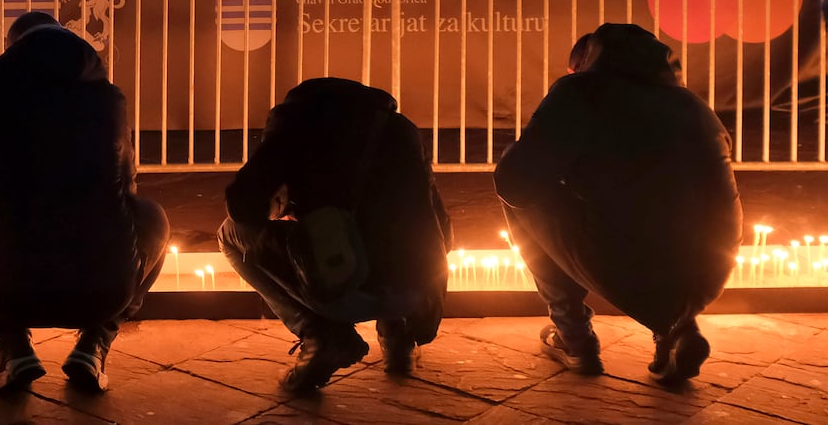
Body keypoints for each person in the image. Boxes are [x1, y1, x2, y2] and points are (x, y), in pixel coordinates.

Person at [0, 11, 169, 395]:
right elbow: (127, 187)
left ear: (13, 49)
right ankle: (94, 346)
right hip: (104, 290)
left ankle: (13, 349)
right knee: (153, 218)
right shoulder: (108, 97)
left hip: (5, 287)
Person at [495, 23, 741, 384]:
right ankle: (676, 328)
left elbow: (516, 183)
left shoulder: (581, 91)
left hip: (639, 266)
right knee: (654, 217)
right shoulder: (691, 103)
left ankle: (573, 338)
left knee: (524, 195)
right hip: (712, 268)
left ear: (587, 63)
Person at [218, 77, 452, 394]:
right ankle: (400, 336)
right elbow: (443, 230)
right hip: (417, 296)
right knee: (399, 236)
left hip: (342, 284)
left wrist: (286, 201)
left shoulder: (296, 123)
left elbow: (243, 205)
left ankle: (321, 336)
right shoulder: (402, 131)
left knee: (230, 234)